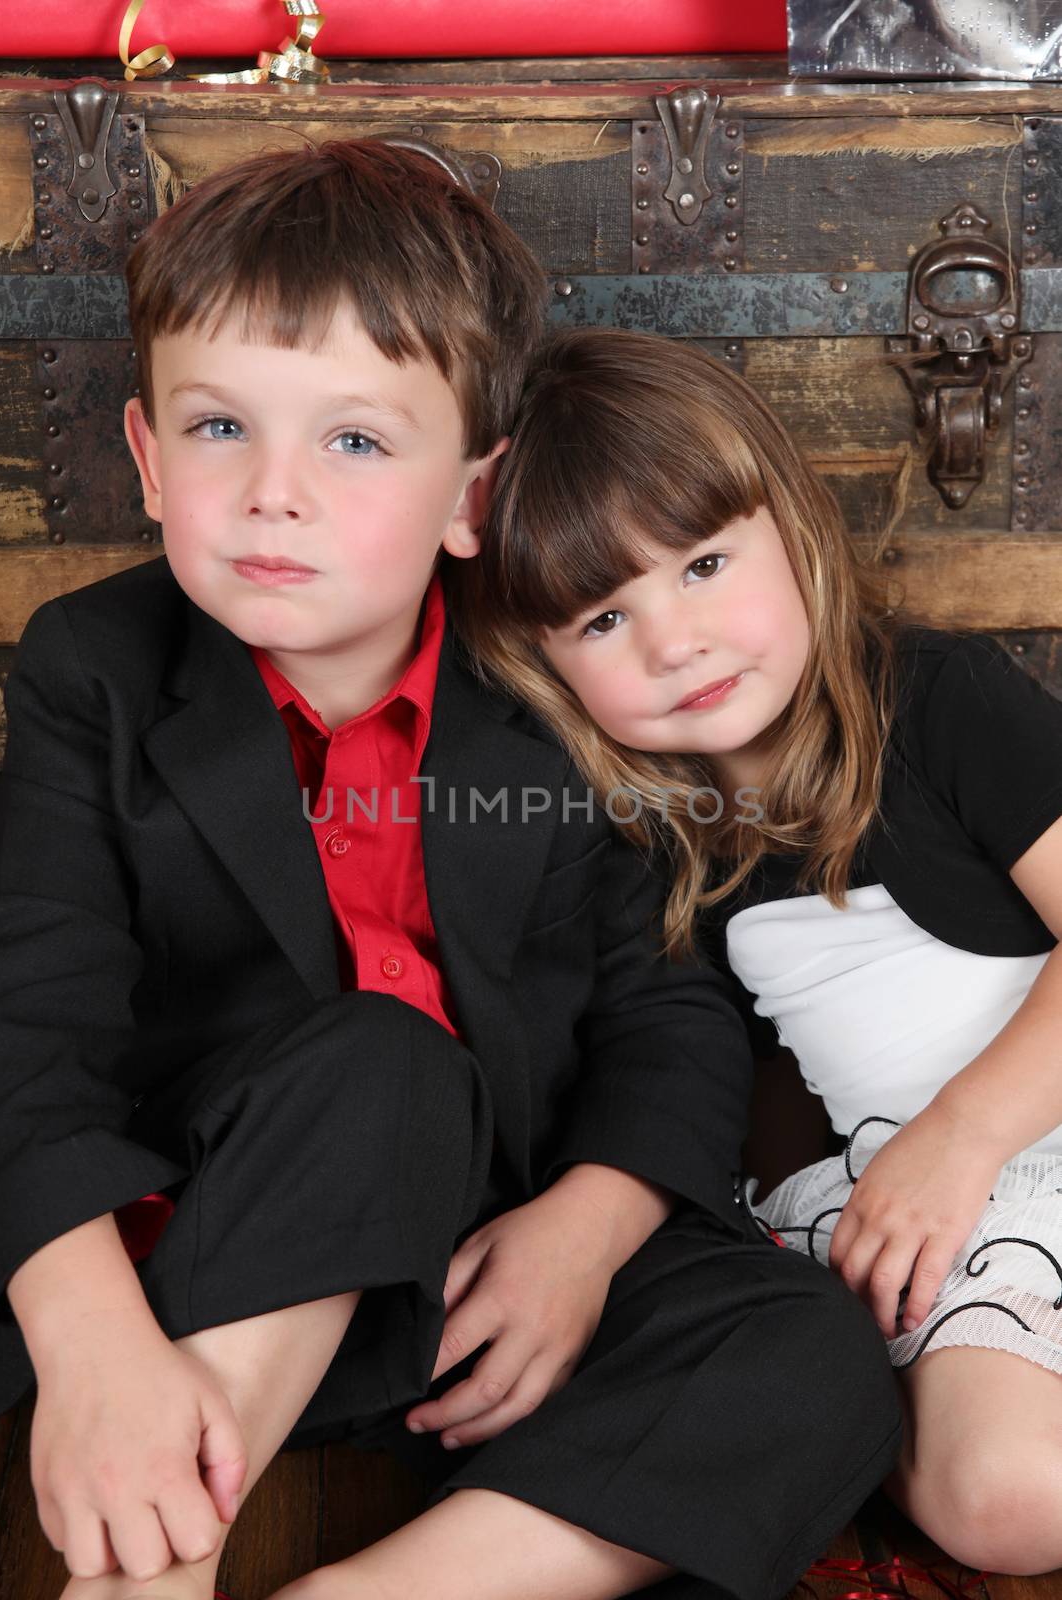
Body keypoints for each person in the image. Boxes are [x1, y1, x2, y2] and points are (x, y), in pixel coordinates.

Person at [0, 148, 901, 1600]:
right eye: (219, 426)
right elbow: (26, 1022)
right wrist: (91, 1340)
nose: (272, 495)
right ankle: (149, 1562)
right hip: (205, 1277)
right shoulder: (94, 674)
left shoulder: (538, 686)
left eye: (354, 443)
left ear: (469, 496)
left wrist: (581, 1234)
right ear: (150, 462)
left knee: (811, 1356)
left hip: (471, 1282)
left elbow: (657, 1005)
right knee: (384, 1061)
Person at [453, 325, 1062, 1579]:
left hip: (1004, 1128)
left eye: (705, 563)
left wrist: (959, 1134)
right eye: (602, 616)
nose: (673, 643)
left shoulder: (937, 701)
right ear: (541, 663)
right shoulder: (628, 840)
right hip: (905, 1216)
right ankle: (871, 1421)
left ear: (788, 523)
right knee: (1002, 1500)